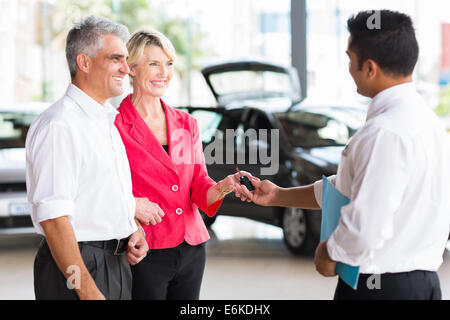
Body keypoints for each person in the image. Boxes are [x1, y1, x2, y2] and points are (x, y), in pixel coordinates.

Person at [238, 10, 450, 300]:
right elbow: (349, 186)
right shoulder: (428, 124)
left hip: (380, 287)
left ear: (370, 68)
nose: (349, 69)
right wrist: (279, 195)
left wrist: (330, 251)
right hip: (423, 284)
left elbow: (365, 227)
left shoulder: (384, 133)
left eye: (351, 59)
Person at [114, 29, 248, 300]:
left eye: (169, 64)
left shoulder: (186, 123)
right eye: (154, 64)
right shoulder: (114, 125)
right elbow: (108, 188)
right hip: (144, 248)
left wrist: (223, 187)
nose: (164, 73)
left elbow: (198, 184)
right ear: (132, 68)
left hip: (192, 247)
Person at [26, 15, 149, 300]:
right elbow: (54, 220)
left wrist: (132, 229)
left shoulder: (104, 121)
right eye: (116, 58)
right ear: (84, 62)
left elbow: (98, 196)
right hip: (77, 268)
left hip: (115, 264)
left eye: (126, 59)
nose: (126, 68)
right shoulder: (60, 125)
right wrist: (89, 293)